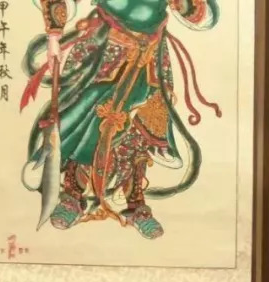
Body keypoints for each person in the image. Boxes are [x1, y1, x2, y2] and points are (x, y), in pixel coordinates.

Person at [23, 0, 221, 236]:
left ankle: (135, 205)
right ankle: (72, 195)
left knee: (140, 131)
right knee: (86, 121)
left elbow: (197, 13)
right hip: (103, 47)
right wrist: (54, 36)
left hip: (150, 55)